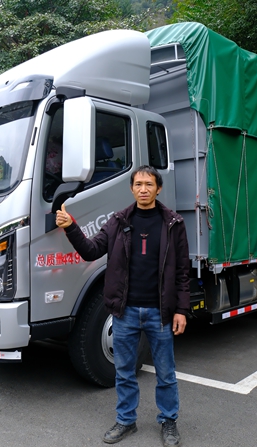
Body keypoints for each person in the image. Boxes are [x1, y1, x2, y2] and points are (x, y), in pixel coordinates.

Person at [56, 165, 190, 447]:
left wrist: (181, 310)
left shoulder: (173, 224)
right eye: (138, 184)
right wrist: (70, 226)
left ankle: (169, 420)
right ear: (131, 189)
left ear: (158, 188)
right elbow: (91, 250)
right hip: (125, 312)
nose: (143, 189)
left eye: (149, 184)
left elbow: (181, 271)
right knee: (124, 371)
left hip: (161, 313)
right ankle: (126, 420)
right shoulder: (118, 222)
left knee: (166, 373)